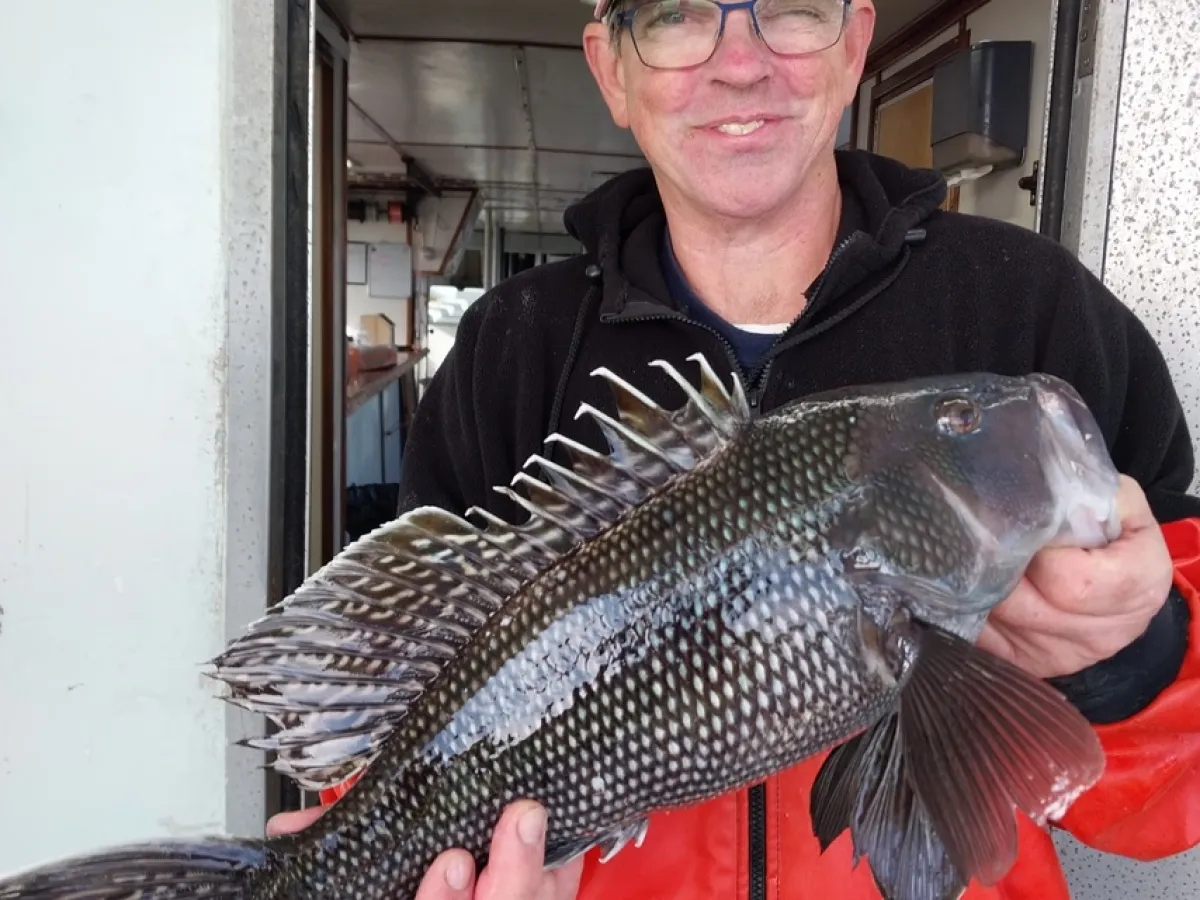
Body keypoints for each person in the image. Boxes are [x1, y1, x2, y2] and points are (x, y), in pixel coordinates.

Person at [270, 0, 1200, 897]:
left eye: (790, 6)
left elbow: (1169, 785)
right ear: (611, 68)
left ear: (854, 42)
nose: (740, 60)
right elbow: (408, 720)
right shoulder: (509, 347)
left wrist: (1135, 657)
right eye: (677, 13)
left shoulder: (1032, 307)